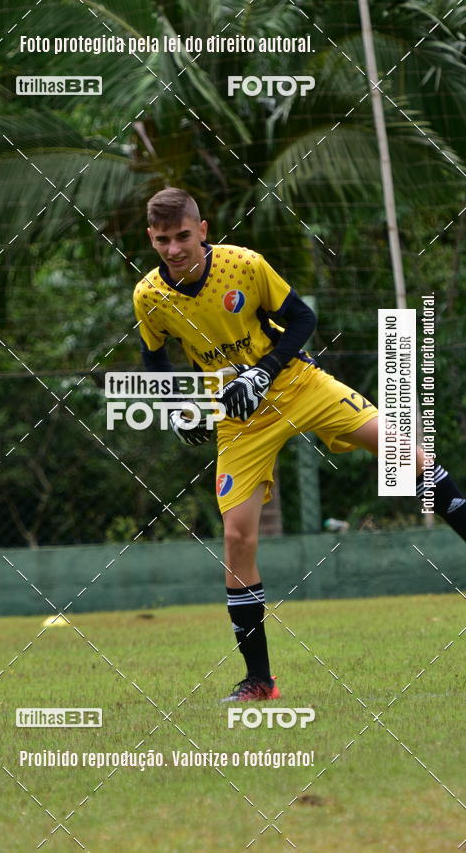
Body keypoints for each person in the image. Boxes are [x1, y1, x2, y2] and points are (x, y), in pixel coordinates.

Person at [133, 187, 466, 703]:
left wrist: (262, 373)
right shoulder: (149, 296)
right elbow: (156, 363)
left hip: (298, 386)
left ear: (202, 230)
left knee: (406, 454)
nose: (174, 249)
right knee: (238, 541)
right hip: (238, 419)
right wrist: (177, 408)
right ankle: (260, 682)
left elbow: (303, 319)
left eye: (182, 236)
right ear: (151, 240)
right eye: (162, 240)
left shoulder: (244, 265)